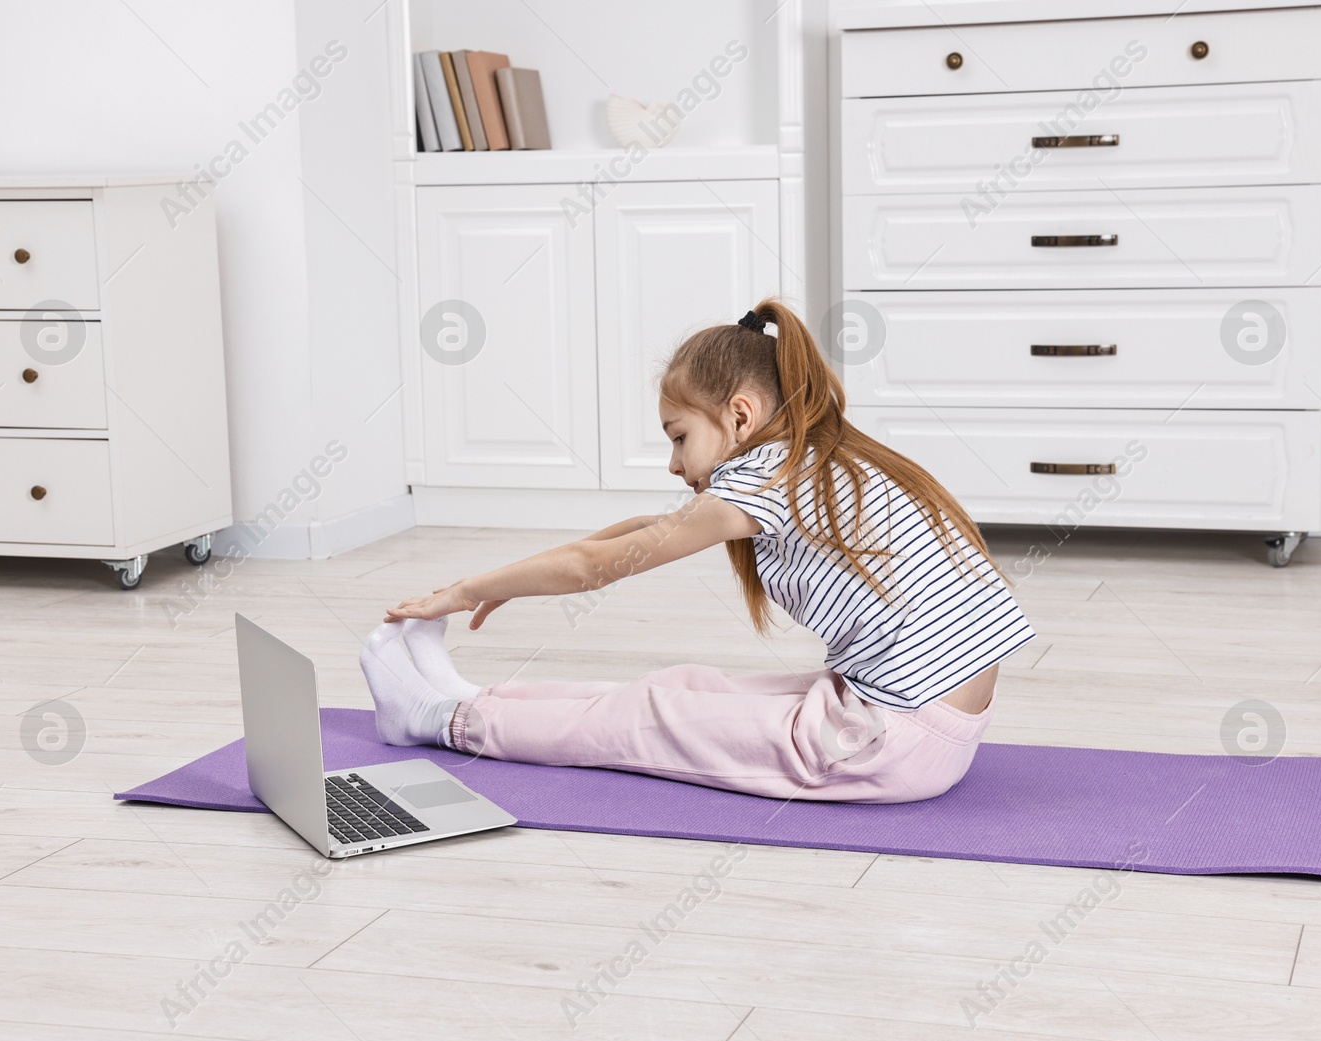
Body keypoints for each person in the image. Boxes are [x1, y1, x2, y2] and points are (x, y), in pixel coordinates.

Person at [361, 297, 1036, 803]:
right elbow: (632, 536)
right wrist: (503, 580)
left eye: (679, 436)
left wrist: (469, 588)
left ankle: (441, 719)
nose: (674, 462)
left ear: (738, 416)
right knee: (684, 687)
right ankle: (468, 694)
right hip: (909, 721)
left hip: (889, 742)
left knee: (647, 717)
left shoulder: (769, 483)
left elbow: (601, 567)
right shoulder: (813, 459)